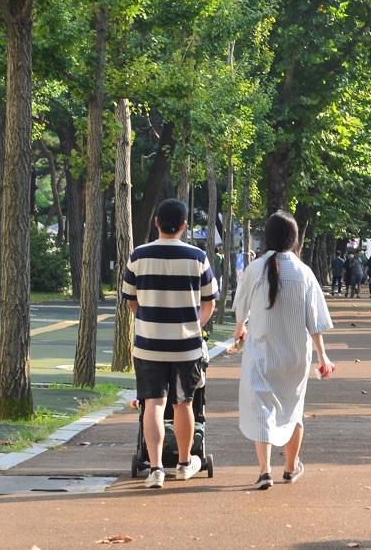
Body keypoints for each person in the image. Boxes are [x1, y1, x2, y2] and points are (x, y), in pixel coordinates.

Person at [234, 211, 335, 489]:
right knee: (293, 410)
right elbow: (314, 321)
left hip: (261, 354)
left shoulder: (255, 268)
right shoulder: (304, 272)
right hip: (294, 356)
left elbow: (240, 307)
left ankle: (265, 470)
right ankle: (290, 468)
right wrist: (322, 355)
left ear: (267, 236)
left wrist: (239, 330)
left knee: (262, 409)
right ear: (295, 239)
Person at [122, 198, 217, 489]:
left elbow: (130, 300)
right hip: (186, 344)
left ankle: (155, 468)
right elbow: (209, 302)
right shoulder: (197, 257)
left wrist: (148, 319)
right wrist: (193, 325)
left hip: (149, 343)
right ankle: (185, 463)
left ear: (156, 223)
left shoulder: (138, 256)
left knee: (153, 403)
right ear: (185, 226)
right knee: (184, 403)